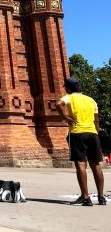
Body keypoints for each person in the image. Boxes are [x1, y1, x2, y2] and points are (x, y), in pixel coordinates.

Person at [56, 77, 106, 206]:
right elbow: (96, 119)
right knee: (96, 165)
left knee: (81, 164)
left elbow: (58, 104)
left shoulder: (69, 97)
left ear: (67, 88)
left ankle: (85, 197)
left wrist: (65, 117)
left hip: (78, 133)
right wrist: (96, 132)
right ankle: (101, 197)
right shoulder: (91, 100)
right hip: (92, 133)